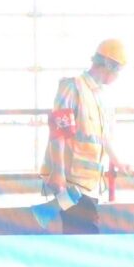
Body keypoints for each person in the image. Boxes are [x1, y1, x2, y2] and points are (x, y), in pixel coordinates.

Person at [42, 38, 126, 234]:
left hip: (90, 184)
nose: (118, 76)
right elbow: (59, 131)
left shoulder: (101, 97)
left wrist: (118, 162)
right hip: (70, 182)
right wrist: (58, 173)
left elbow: (103, 138)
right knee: (84, 233)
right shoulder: (73, 87)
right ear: (109, 66)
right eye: (119, 70)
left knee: (80, 232)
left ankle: (47, 212)